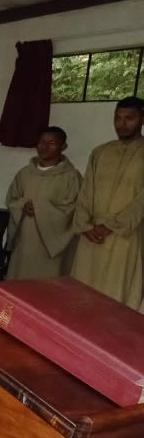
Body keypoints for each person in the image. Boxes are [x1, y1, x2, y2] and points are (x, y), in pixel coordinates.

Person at [70, 96, 144, 311]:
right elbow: (86, 192)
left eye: (129, 118)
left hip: (125, 235)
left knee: (115, 298)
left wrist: (111, 225)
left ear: (142, 119)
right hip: (91, 236)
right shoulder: (100, 152)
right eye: (118, 118)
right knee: (81, 294)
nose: (122, 124)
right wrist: (85, 225)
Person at [5, 126, 82, 280]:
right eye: (42, 142)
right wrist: (22, 206)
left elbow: (75, 209)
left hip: (52, 245)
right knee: (19, 283)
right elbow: (12, 199)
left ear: (63, 146)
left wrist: (41, 208)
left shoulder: (71, 177)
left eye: (52, 143)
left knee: (45, 286)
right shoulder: (25, 173)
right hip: (25, 241)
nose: (45, 147)